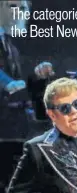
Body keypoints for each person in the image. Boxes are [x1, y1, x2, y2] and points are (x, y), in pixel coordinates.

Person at [0, 0, 31, 139]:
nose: (18, 12)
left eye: (22, 8)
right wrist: (7, 83)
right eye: (12, 6)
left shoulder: (12, 47)